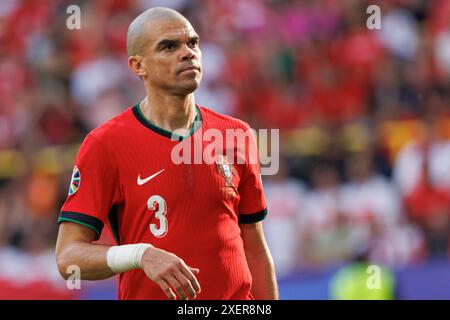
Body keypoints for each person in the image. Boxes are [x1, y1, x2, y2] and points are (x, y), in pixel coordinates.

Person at [55, 7, 278, 300]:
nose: (187, 53)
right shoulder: (105, 144)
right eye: (169, 46)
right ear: (138, 66)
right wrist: (139, 255)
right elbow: (68, 257)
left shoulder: (238, 135)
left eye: (193, 43)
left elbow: (255, 246)